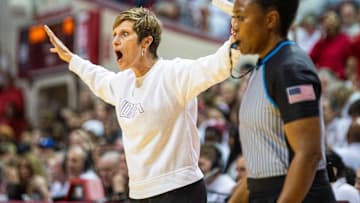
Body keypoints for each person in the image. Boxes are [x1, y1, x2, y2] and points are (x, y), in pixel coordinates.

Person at [44, 7, 239, 203]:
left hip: (180, 190)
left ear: (146, 41)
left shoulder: (174, 74)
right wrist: (71, 59)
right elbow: (97, 77)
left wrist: (237, 36)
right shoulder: (122, 82)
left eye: (125, 34)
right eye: (114, 35)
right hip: (139, 192)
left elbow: (216, 65)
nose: (115, 41)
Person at [228, 0, 336, 202]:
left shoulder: (291, 69)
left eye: (241, 17)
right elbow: (260, 170)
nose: (234, 25)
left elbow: (308, 155)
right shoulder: (262, 66)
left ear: (270, 20)